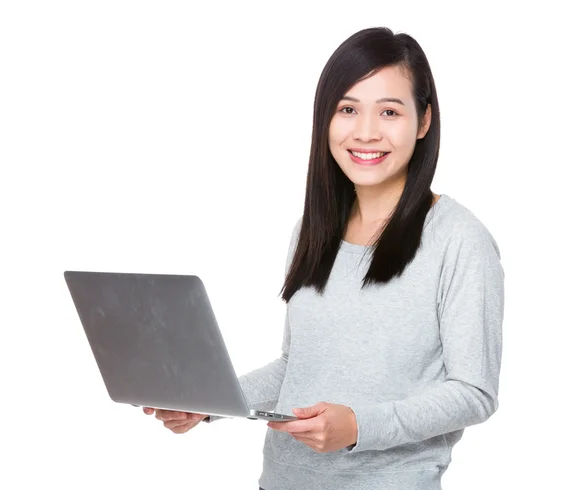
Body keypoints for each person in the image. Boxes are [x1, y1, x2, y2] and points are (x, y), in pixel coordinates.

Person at [143, 26, 504, 490]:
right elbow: (298, 366)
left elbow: (474, 392)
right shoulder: (313, 232)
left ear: (423, 121)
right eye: (348, 109)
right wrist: (210, 401)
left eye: (389, 111)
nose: (366, 132)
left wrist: (358, 426)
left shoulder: (459, 240)